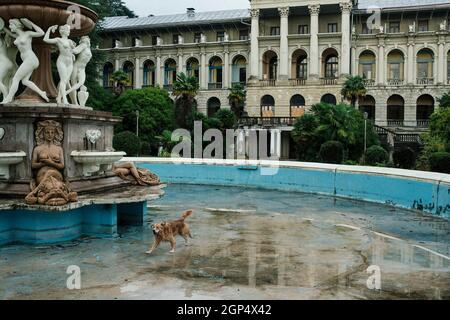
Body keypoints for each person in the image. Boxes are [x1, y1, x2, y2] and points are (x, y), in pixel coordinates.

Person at [1, 18, 49, 104]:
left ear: (17, 25)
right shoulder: (17, 36)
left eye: (11, 25)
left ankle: (8, 98)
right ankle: (42, 93)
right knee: (24, 81)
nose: (10, 26)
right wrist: (2, 25)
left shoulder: (27, 34)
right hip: (28, 60)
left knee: (16, 78)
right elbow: (8, 32)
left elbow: (41, 33)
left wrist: (30, 23)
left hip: (30, 59)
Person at [44, 24, 75, 105]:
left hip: (70, 62)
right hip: (62, 61)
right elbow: (45, 39)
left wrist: (73, 55)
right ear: (63, 31)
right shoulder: (58, 40)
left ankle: (58, 98)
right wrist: (49, 29)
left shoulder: (70, 41)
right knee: (63, 80)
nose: (69, 31)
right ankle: (64, 99)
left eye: (69, 30)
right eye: (67, 30)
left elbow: (72, 51)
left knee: (65, 80)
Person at [67, 36, 92, 105]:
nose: (87, 40)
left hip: (82, 68)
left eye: (87, 39)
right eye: (84, 39)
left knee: (81, 82)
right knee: (74, 84)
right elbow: (75, 51)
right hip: (76, 66)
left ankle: (66, 92)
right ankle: (75, 102)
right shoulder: (83, 45)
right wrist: (71, 47)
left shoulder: (88, 48)